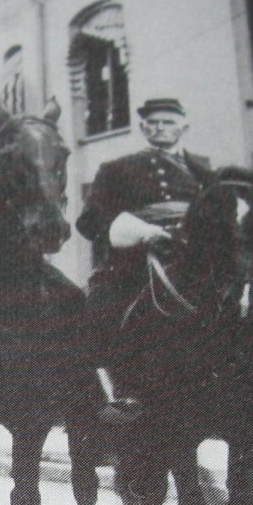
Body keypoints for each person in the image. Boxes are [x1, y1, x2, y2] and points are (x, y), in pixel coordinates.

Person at [74, 96, 215, 419]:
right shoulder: (118, 169)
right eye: (153, 122)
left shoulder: (204, 168)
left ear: (184, 126)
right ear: (142, 128)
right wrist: (141, 232)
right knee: (102, 309)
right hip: (138, 260)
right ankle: (118, 393)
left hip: (197, 254)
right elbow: (90, 220)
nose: (160, 128)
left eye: (168, 121)